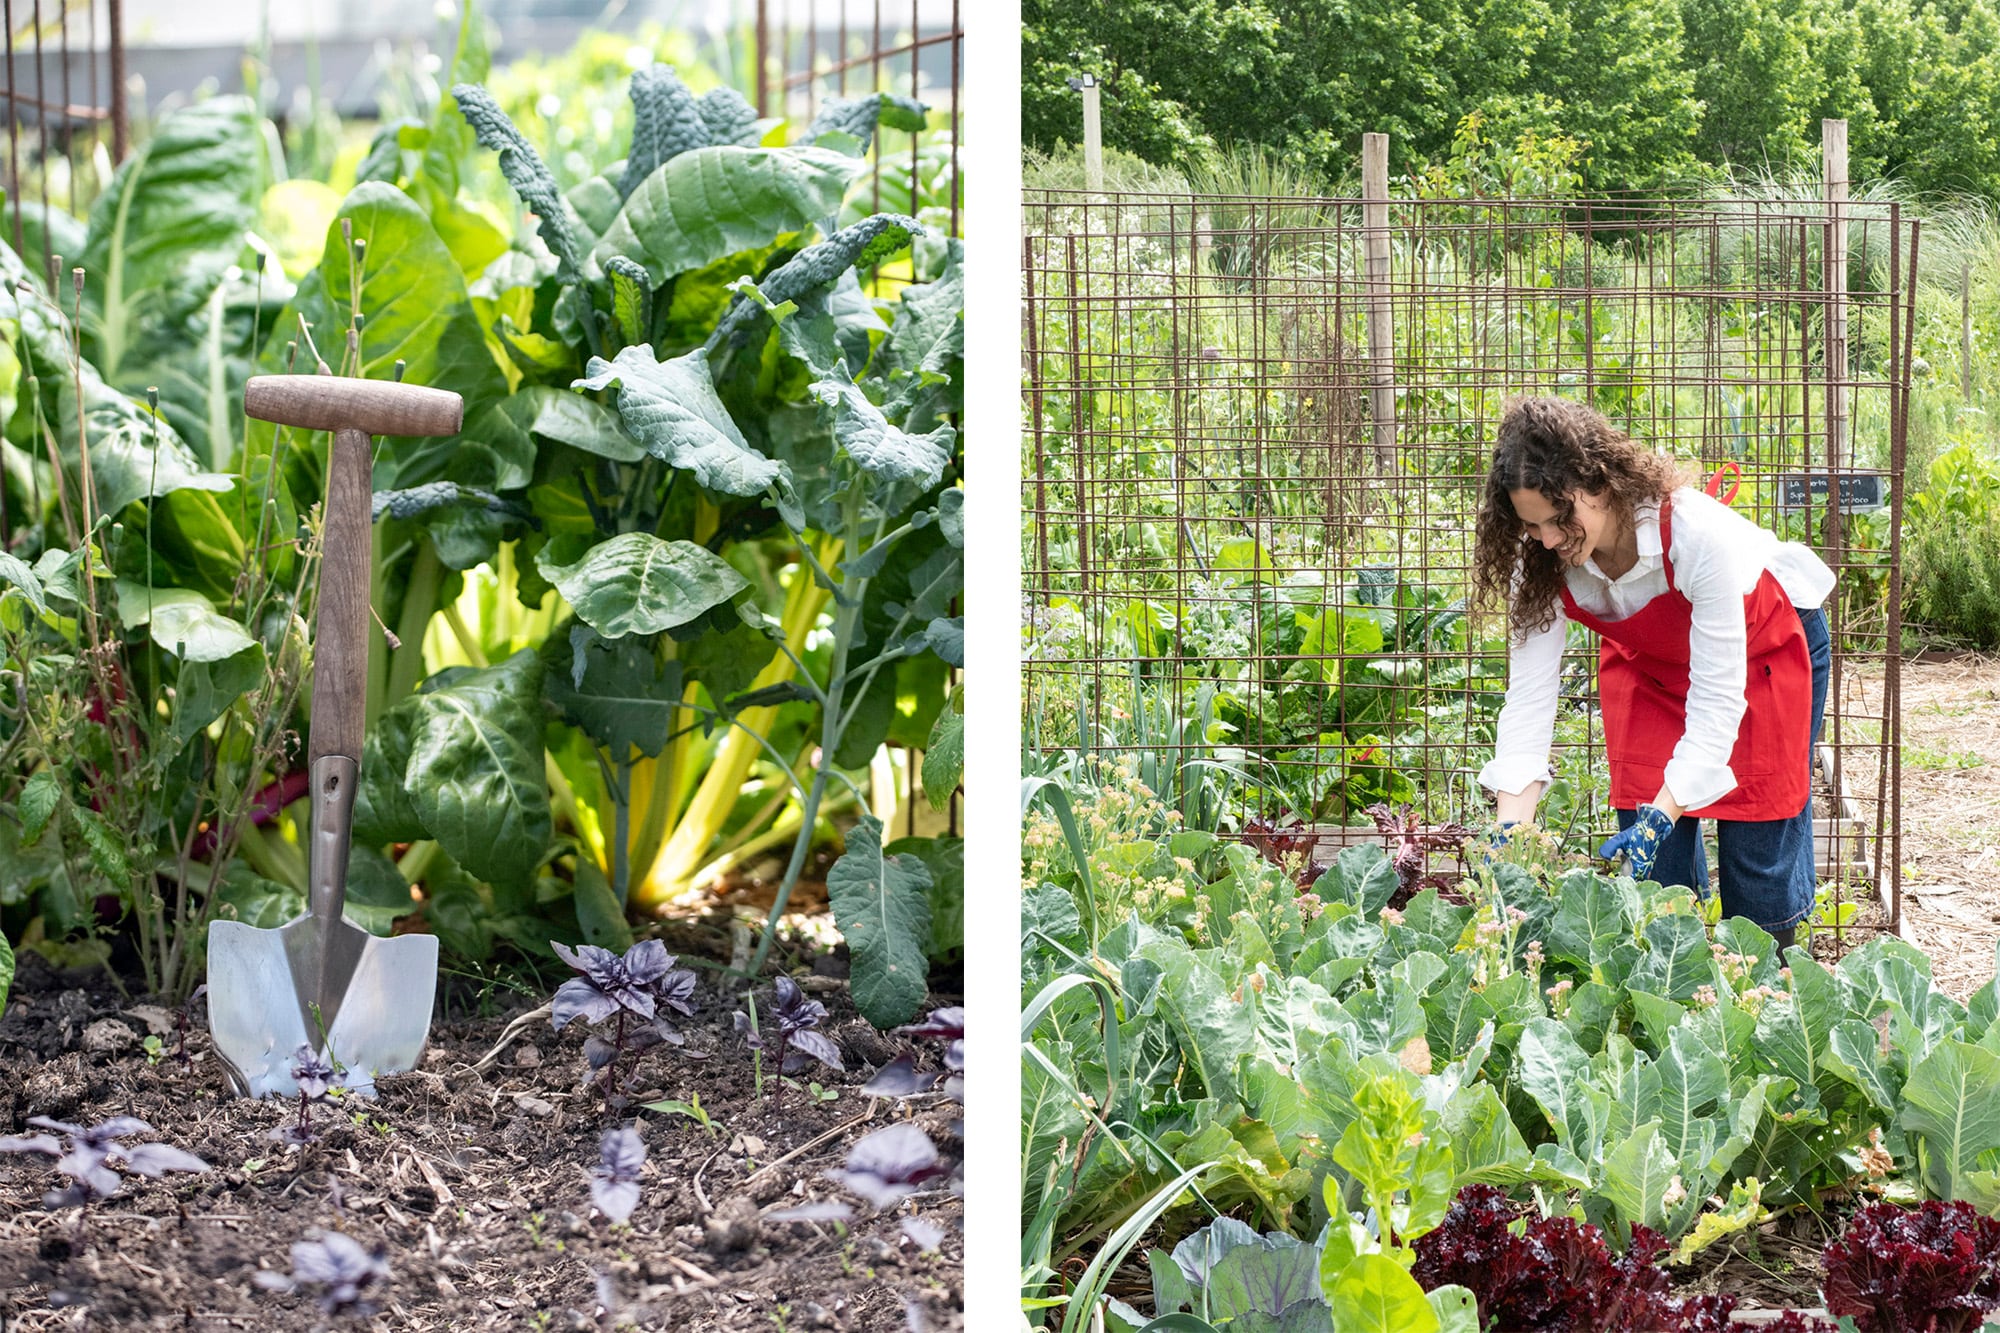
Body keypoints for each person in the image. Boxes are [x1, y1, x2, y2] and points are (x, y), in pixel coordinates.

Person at [1473, 396, 1835, 952]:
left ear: (1598, 484)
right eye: (1532, 524)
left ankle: (1771, 980)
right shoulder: (1539, 558)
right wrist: (1509, 837)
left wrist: (1665, 813)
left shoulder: (1693, 532)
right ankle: (1674, 988)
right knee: (1655, 883)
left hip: (1761, 655)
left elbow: (1718, 699)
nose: (1547, 539)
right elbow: (1529, 699)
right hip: (1655, 670)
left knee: (1758, 860)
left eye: (1559, 518)